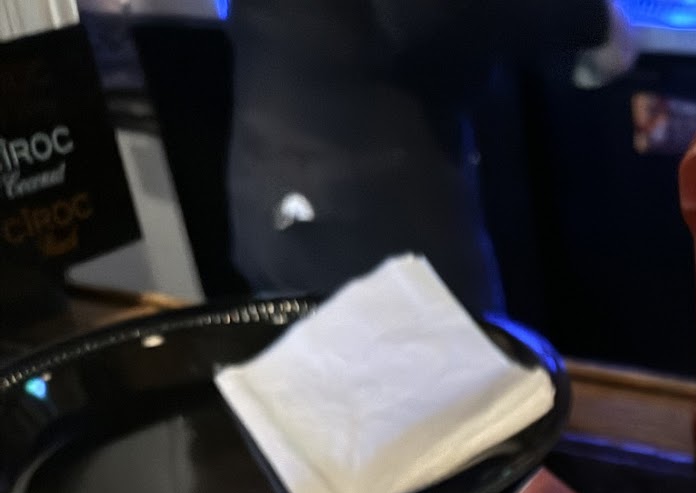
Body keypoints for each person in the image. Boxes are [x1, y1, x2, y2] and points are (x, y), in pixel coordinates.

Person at [226, 0, 631, 316]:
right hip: (370, 214)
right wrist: (593, 19)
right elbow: (432, 11)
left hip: (281, 181)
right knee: (462, 389)